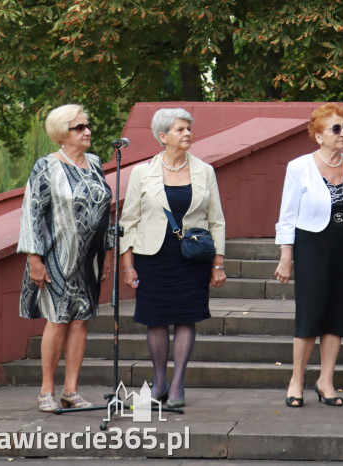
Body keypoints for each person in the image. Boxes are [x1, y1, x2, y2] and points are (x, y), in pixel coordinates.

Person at [120, 107, 226, 409]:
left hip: (192, 257)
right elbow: (129, 221)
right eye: (180, 130)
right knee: (155, 319)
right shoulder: (142, 172)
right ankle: (159, 381)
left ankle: (178, 382)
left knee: (186, 317)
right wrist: (127, 265)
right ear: (162, 137)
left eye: (189, 129)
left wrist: (218, 263)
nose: (188, 134)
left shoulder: (204, 171)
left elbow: (216, 220)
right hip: (152, 256)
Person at [18, 104, 113, 412]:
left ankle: (71, 391)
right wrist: (34, 258)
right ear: (62, 134)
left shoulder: (96, 163)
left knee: (80, 321)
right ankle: (46, 390)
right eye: (79, 128)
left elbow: (106, 213)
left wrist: (108, 252)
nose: (87, 132)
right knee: (57, 320)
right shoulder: (47, 166)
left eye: (88, 126)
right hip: (57, 258)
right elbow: (32, 214)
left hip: (90, 260)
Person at [273, 103, 343, 408]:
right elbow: (287, 215)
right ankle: (296, 380)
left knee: (339, 314)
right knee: (310, 313)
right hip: (312, 244)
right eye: (335, 129)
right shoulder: (299, 167)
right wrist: (286, 255)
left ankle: (326, 381)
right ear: (318, 136)